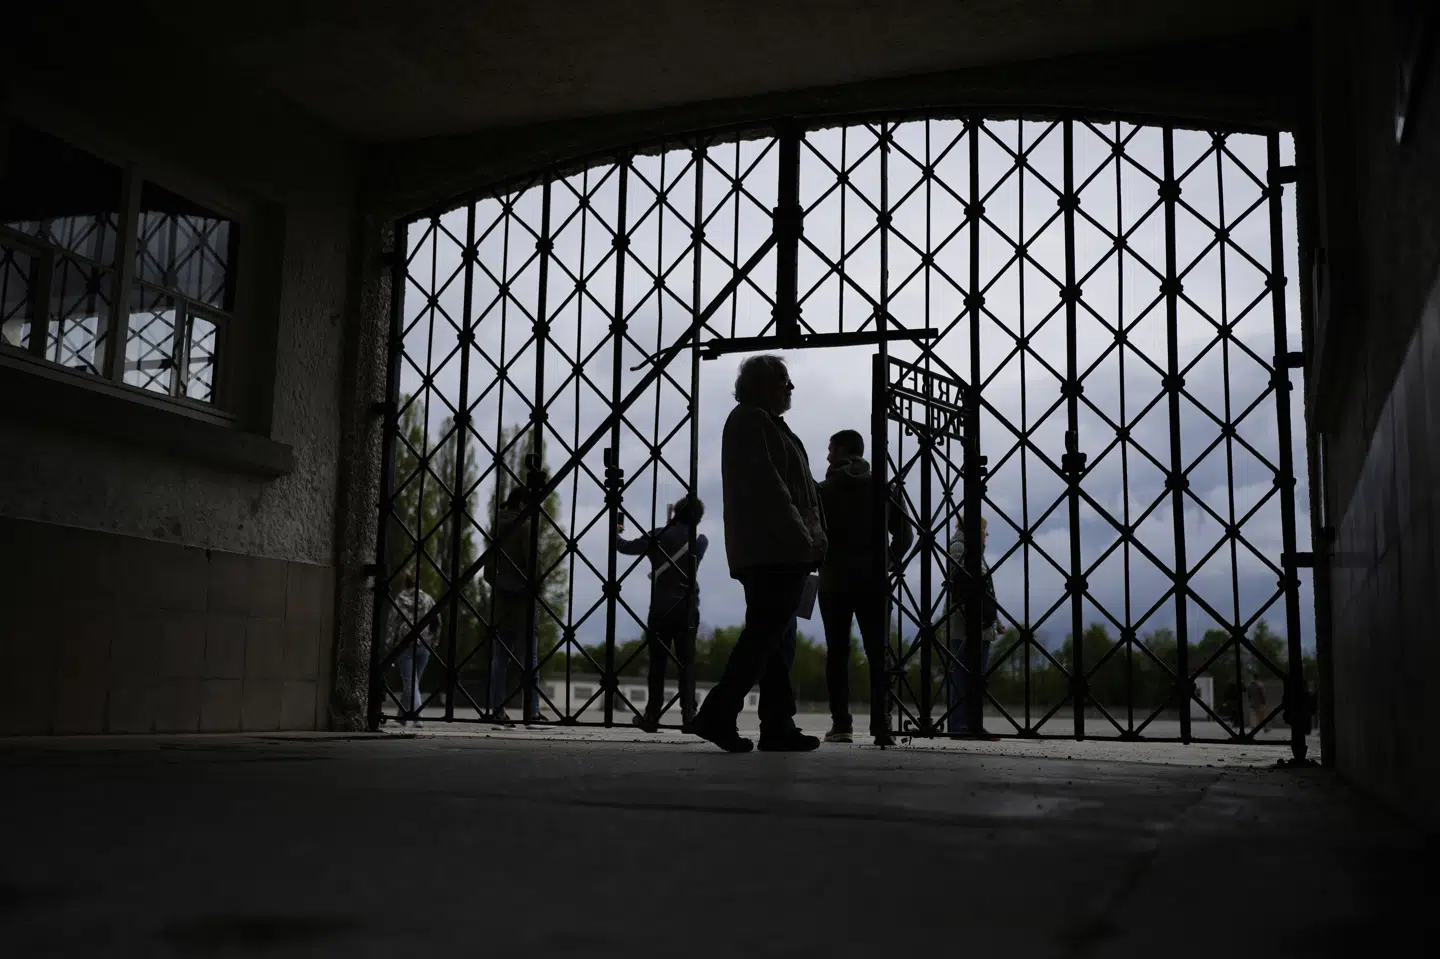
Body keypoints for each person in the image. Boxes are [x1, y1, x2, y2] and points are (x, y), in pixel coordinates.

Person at [692, 354, 828, 753]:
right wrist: (804, 539)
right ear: (763, 385)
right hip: (776, 550)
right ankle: (721, 712)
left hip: (778, 549)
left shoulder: (764, 424)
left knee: (775, 640)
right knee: (765, 638)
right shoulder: (752, 422)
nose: (790, 388)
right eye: (784, 381)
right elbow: (773, 491)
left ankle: (776, 724)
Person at [816, 429, 912, 746]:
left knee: (838, 653)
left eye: (831, 450)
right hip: (873, 580)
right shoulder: (884, 489)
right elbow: (906, 536)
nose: (828, 456)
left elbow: (811, 533)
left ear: (842, 450)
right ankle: (881, 724)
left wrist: (820, 561)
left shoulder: (823, 490)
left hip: (834, 581)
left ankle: (841, 724)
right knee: (877, 652)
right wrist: (889, 562)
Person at [616, 496, 710, 731]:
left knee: (657, 664)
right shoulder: (701, 541)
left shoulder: (658, 535)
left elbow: (624, 547)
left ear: (676, 513)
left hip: (661, 607)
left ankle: (651, 715)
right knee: (686, 664)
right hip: (687, 608)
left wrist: (615, 530)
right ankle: (689, 715)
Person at [485, 488, 544, 725]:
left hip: (501, 602)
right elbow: (535, 569)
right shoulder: (526, 527)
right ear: (522, 506)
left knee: (500, 659)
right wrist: (529, 589)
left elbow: (488, 572)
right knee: (530, 657)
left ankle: (497, 709)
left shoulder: (495, 528)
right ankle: (532, 710)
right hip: (524, 602)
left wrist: (505, 587)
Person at [944, 514, 1004, 735]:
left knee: (972, 675)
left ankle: (970, 723)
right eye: (984, 531)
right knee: (963, 674)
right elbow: (962, 585)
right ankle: (961, 724)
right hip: (966, 622)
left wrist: (996, 622)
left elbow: (985, 591)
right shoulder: (961, 547)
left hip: (978, 622)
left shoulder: (974, 551)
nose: (986, 536)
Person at [391, 571, 437, 728]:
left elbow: (393, 623)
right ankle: (401, 718)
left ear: (405, 583)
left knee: (410, 683)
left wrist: (389, 646)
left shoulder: (399, 599)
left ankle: (418, 716)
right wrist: (433, 642)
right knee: (413, 682)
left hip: (405, 644)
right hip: (424, 644)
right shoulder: (428, 599)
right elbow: (437, 623)